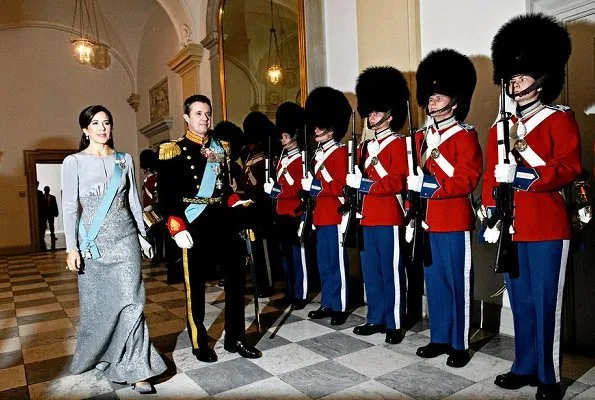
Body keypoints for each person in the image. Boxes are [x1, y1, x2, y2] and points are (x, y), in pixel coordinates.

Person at [484, 14, 581, 400]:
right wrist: (492, 210)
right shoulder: (498, 128)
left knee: (545, 304)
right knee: (520, 301)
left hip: (547, 224)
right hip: (513, 226)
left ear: (541, 79)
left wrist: (522, 173)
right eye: (511, 78)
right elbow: (493, 177)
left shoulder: (559, 119)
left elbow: (569, 167)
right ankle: (523, 364)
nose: (514, 84)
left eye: (521, 77)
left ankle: (549, 374)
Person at [62, 105, 165, 394]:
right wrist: (72, 248)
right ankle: (107, 354)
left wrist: (143, 238)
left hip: (125, 240)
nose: (102, 128)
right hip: (93, 244)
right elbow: (70, 207)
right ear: (85, 129)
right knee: (101, 307)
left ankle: (137, 369)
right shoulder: (74, 162)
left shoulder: (125, 160)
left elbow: (134, 201)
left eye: (106, 122)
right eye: (95, 123)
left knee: (133, 302)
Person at [158, 94, 261, 363]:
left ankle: (235, 338)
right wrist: (176, 226)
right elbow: (167, 196)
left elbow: (223, 188)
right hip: (193, 224)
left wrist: (236, 201)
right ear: (186, 118)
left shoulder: (220, 147)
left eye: (207, 113)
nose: (204, 118)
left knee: (237, 281)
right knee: (196, 287)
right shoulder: (174, 150)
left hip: (223, 221)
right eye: (198, 114)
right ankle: (199, 340)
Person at [407, 49, 482, 368]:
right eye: (431, 96)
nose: (433, 102)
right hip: (428, 221)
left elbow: (466, 180)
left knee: (457, 282)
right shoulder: (421, 138)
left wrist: (428, 187)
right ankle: (439, 336)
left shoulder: (465, 135)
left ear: (454, 100)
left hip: (453, 219)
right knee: (434, 281)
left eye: (439, 96)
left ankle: (459, 342)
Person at [346, 66, 410, 344]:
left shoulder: (399, 144)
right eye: (369, 112)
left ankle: (394, 321)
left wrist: (364, 185)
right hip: (367, 216)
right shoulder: (363, 148)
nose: (370, 117)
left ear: (390, 113)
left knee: (391, 269)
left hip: (389, 214)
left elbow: (397, 182)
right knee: (371, 269)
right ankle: (376, 316)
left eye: (375, 111)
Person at [302, 86, 352, 325]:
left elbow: (342, 186)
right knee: (324, 262)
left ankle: (340, 304)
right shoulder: (316, 155)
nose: (316, 130)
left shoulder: (340, 153)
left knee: (337, 262)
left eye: (321, 126)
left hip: (335, 214)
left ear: (332, 128)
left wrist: (317, 186)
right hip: (320, 215)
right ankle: (328, 302)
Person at [264, 102, 310, 310]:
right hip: (281, 211)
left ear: (294, 135)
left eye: (285, 135)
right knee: (284, 257)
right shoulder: (281, 160)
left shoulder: (301, 159)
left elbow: (295, 189)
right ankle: (289, 291)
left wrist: (275, 190)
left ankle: (300, 293)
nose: (281, 139)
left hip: (294, 211)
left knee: (297, 256)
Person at [240, 111, 278, 298]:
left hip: (263, 208)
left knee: (264, 249)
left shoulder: (265, 156)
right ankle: (258, 282)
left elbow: (263, 185)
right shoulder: (251, 155)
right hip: (251, 207)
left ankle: (267, 284)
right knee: (254, 249)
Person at [140, 149, 165, 264]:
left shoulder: (152, 179)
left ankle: (158, 254)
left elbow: (153, 198)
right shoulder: (150, 179)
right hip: (149, 210)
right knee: (153, 234)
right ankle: (156, 254)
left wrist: (147, 209)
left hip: (152, 210)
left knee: (155, 233)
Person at [36, 180, 47, 251]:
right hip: (38, 213)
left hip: (41, 213)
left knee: (43, 226)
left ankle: (41, 239)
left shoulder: (40, 193)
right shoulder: (39, 193)